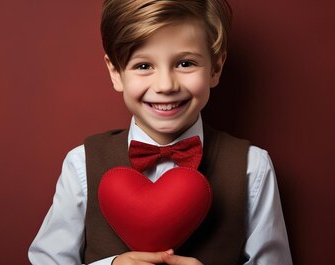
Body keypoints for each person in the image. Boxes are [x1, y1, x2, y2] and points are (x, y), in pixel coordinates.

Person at [28, 0, 293, 264]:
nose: (165, 85)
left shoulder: (253, 167)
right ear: (116, 72)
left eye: (186, 63)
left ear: (216, 68)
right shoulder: (82, 163)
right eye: (144, 66)